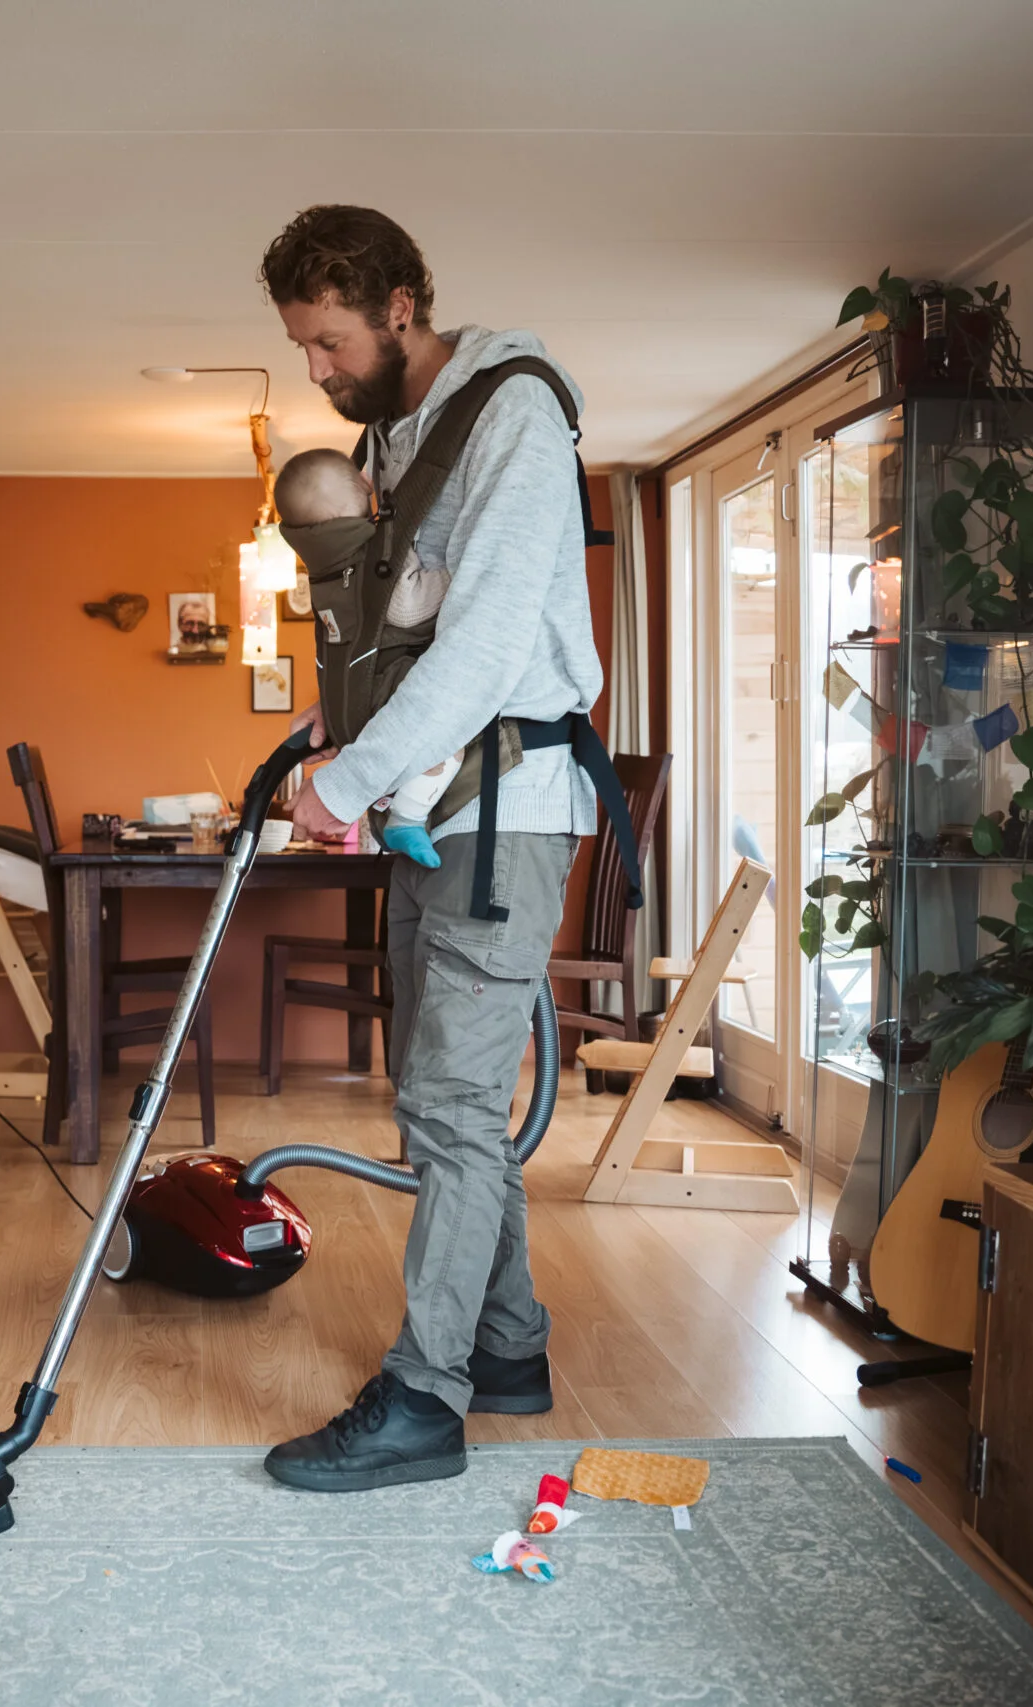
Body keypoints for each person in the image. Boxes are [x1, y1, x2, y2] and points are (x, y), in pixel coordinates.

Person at [260, 204, 605, 1492]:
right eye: (302, 346)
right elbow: (405, 636)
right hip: (437, 811)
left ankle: (424, 1399)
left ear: (400, 307)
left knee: (455, 1107)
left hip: (504, 807)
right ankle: (507, 1347)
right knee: (438, 1097)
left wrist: (346, 779)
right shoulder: (394, 439)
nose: (318, 370)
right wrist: (328, 729)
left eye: (330, 340)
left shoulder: (508, 410)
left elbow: (493, 640)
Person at [272, 448, 456, 867]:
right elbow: (410, 608)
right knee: (444, 740)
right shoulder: (376, 558)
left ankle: (392, 806)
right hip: (391, 685)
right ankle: (407, 819)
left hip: (352, 704)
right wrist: (451, 574)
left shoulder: (321, 571)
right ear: (360, 496)